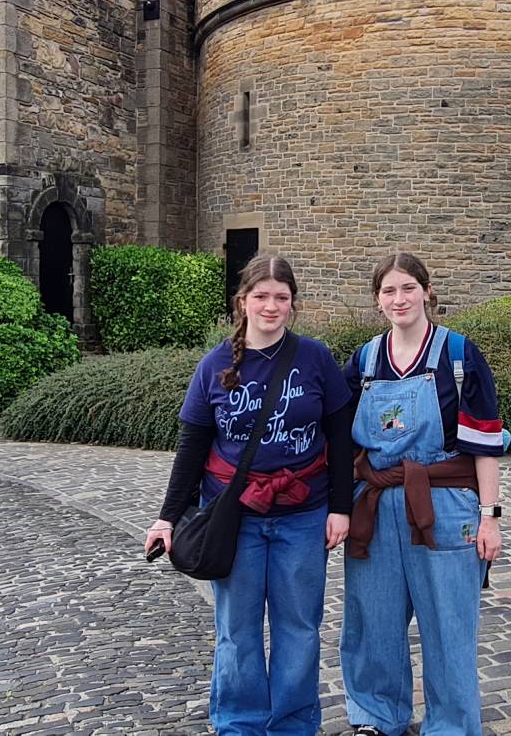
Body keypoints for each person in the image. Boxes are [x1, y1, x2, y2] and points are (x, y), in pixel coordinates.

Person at [145, 254, 354, 736]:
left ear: (293, 303)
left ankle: (293, 725)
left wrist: (341, 507)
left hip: (304, 515)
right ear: (242, 301)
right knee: (237, 631)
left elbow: (340, 438)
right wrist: (167, 517)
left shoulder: (315, 359)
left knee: (299, 628)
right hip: (235, 518)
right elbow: (192, 447)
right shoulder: (214, 365)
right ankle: (239, 724)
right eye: (261, 296)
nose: (271, 306)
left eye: (281, 297)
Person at [340, 253, 505, 736]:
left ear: (427, 291)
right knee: (372, 621)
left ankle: (450, 726)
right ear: (377, 300)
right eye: (389, 291)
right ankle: (375, 717)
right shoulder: (365, 361)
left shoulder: (459, 356)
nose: (400, 299)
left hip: (445, 505)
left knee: (449, 626)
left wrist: (490, 517)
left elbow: (485, 444)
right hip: (375, 506)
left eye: (408, 288)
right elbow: (338, 439)